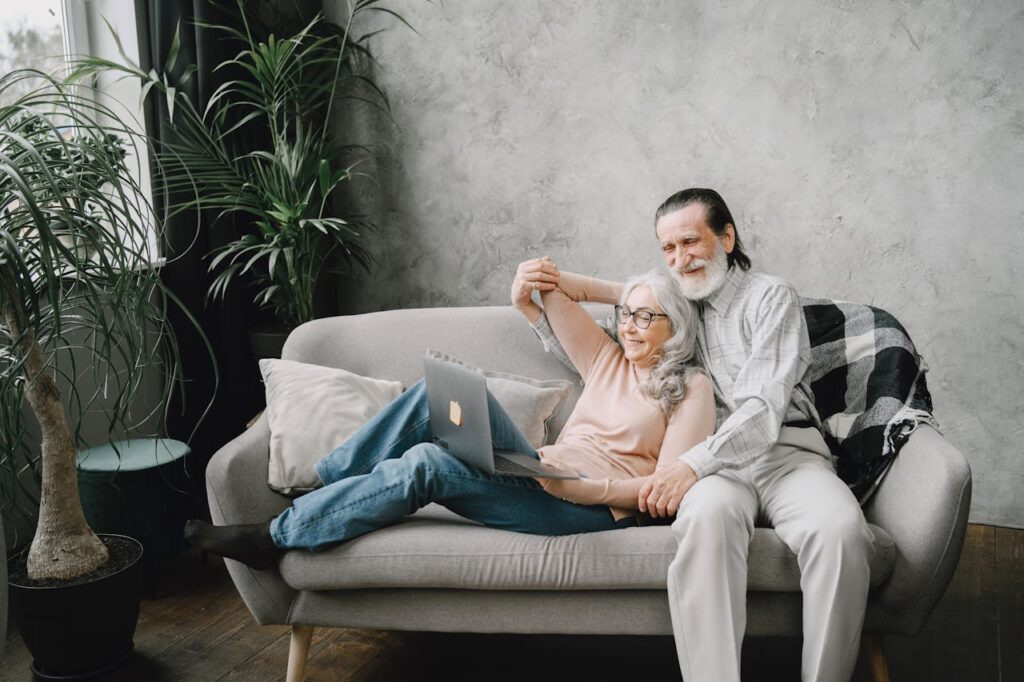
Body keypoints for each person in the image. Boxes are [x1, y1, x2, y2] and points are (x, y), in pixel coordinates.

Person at [525, 188, 874, 682]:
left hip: (786, 453)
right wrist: (570, 288)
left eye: (690, 241)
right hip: (716, 468)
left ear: (727, 238)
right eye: (667, 249)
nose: (679, 259)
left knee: (842, 533)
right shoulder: (673, 310)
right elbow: (614, 347)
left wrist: (690, 465)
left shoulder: (769, 296)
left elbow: (761, 408)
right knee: (707, 521)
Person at [185, 267, 716, 569]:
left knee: (428, 463)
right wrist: (638, 291)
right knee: (434, 395)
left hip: (588, 508)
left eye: (647, 318)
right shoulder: (607, 358)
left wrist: (588, 490)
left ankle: (272, 537)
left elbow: (661, 492)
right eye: (626, 315)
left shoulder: (690, 387)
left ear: (679, 325)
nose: (630, 326)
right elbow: (552, 288)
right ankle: (323, 486)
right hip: (539, 469)